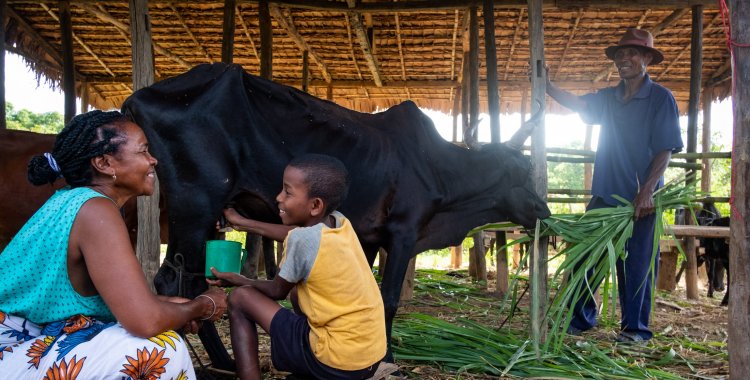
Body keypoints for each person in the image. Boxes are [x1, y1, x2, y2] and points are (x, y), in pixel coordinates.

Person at [0, 110, 228, 378]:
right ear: (104, 164)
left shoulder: (74, 201)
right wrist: (203, 305)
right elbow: (144, 320)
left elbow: (124, 303)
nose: (153, 160)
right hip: (12, 349)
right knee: (159, 351)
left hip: (27, 340)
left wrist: (170, 306)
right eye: (143, 151)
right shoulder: (96, 210)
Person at [545, 28, 684, 343]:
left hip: (640, 198)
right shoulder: (608, 98)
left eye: (632, 53)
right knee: (586, 257)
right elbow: (579, 104)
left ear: (647, 58)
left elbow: (665, 150)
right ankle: (581, 319)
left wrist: (647, 191)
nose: (625, 59)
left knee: (636, 264)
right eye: (620, 54)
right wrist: (548, 86)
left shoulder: (660, 98)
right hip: (605, 192)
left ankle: (635, 329)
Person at [209, 154, 387, 380]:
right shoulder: (339, 222)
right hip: (368, 358)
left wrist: (238, 279)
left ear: (315, 205)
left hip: (335, 359)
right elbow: (295, 236)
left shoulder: (304, 241)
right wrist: (242, 223)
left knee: (240, 298)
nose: (278, 198)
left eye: (288, 192)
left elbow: (277, 291)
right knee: (299, 292)